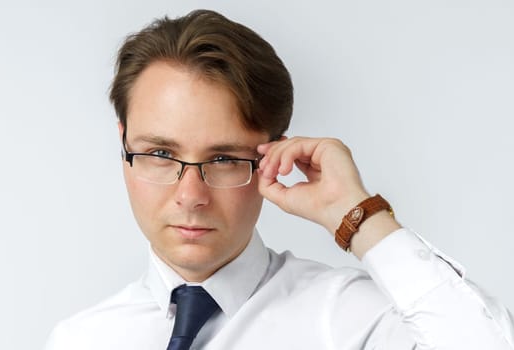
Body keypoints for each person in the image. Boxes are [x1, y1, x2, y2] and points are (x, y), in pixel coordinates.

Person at [46, 9, 514, 349]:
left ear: (274, 157)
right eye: (161, 153)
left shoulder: (347, 319)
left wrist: (359, 216)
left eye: (225, 158)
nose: (190, 196)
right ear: (124, 143)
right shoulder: (80, 338)